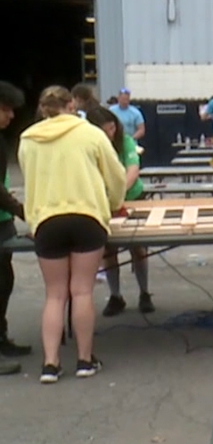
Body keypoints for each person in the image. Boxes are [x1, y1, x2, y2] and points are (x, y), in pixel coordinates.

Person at [19, 86, 126, 383]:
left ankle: (50, 364)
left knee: (55, 295)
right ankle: (84, 360)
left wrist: (33, 218)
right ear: (71, 104)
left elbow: (29, 181)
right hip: (86, 217)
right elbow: (116, 174)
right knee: (82, 291)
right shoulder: (90, 133)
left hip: (47, 220)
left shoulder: (28, 139)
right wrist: (115, 202)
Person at [84, 107, 154, 316]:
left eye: (113, 127)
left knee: (138, 248)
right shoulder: (90, 144)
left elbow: (132, 170)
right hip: (102, 202)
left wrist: (118, 194)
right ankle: (116, 296)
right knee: (109, 250)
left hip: (131, 198)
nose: (111, 133)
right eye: (106, 130)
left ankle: (144, 293)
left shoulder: (125, 142)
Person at [0, 82, 29, 370]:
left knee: (5, 282)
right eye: (5, 109)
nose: (10, 116)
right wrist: (22, 211)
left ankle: (2, 338)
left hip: (3, 222)